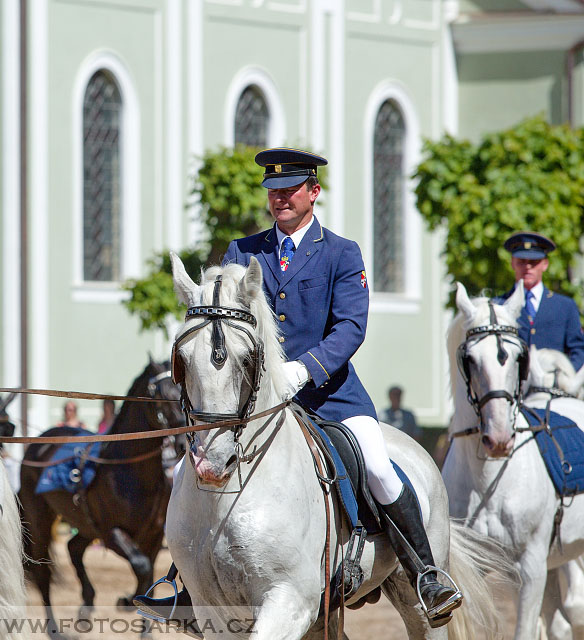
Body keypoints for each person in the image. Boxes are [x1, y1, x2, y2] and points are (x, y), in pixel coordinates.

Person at [136, 147, 461, 627]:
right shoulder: (242, 252)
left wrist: (303, 370)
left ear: (314, 192)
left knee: (378, 466)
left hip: (331, 396)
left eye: (289, 190)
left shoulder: (341, 253)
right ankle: (183, 579)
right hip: (256, 402)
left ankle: (426, 572)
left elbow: (351, 327)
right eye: (273, 191)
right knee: (201, 463)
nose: (280, 199)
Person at [495, 231, 584, 370]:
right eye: (521, 262)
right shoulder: (499, 306)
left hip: (553, 388)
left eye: (534, 262)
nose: (527, 267)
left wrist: (565, 380)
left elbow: (578, 350)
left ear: (545, 264)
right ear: (512, 263)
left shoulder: (565, 306)